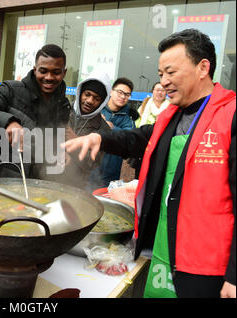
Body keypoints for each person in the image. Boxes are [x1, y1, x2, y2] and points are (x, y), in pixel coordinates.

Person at [62, 28, 235, 298]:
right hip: (163, 248)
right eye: (160, 74)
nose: (164, 82)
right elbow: (139, 137)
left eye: (171, 72)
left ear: (203, 67)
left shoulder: (230, 114)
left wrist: (234, 277)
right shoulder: (172, 115)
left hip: (209, 266)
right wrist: (100, 138)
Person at [0, 44, 71, 180]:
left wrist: (62, 150)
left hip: (43, 179)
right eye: (43, 71)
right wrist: (9, 122)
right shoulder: (12, 89)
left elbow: (57, 137)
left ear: (64, 72)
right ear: (35, 70)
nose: (49, 77)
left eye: (56, 72)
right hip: (7, 176)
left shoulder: (63, 104)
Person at [63, 71, 111, 191]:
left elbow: (91, 164)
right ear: (80, 93)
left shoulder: (103, 129)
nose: (89, 101)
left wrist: (77, 142)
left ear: (102, 102)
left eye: (96, 98)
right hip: (48, 177)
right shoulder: (62, 110)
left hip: (77, 185)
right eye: (87, 94)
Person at [96, 77, 136, 187]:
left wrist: (112, 127)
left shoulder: (130, 117)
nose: (123, 97)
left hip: (111, 171)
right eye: (120, 92)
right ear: (111, 91)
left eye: (127, 95)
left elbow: (129, 139)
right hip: (90, 167)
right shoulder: (98, 107)